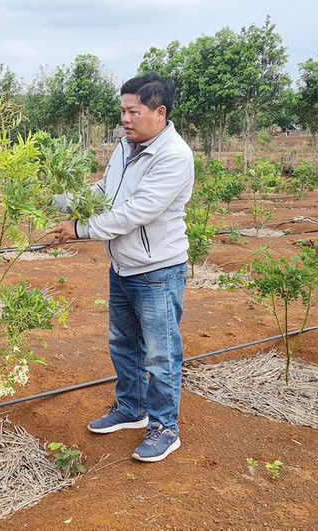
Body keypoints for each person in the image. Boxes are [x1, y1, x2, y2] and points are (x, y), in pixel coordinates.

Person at [50, 73, 193, 462]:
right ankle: (132, 407)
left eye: (133, 111)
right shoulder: (126, 147)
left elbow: (136, 212)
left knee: (161, 355)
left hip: (158, 271)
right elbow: (105, 191)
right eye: (123, 111)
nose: (125, 119)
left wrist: (78, 228)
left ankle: (165, 427)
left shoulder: (174, 157)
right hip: (124, 267)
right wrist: (61, 200)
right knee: (122, 344)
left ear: (159, 112)